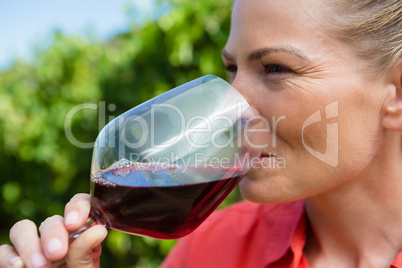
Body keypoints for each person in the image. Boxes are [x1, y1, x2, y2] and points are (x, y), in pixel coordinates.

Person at [1, 0, 402, 267]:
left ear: (396, 93)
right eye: (232, 69)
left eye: (275, 68)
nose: (234, 105)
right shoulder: (211, 250)